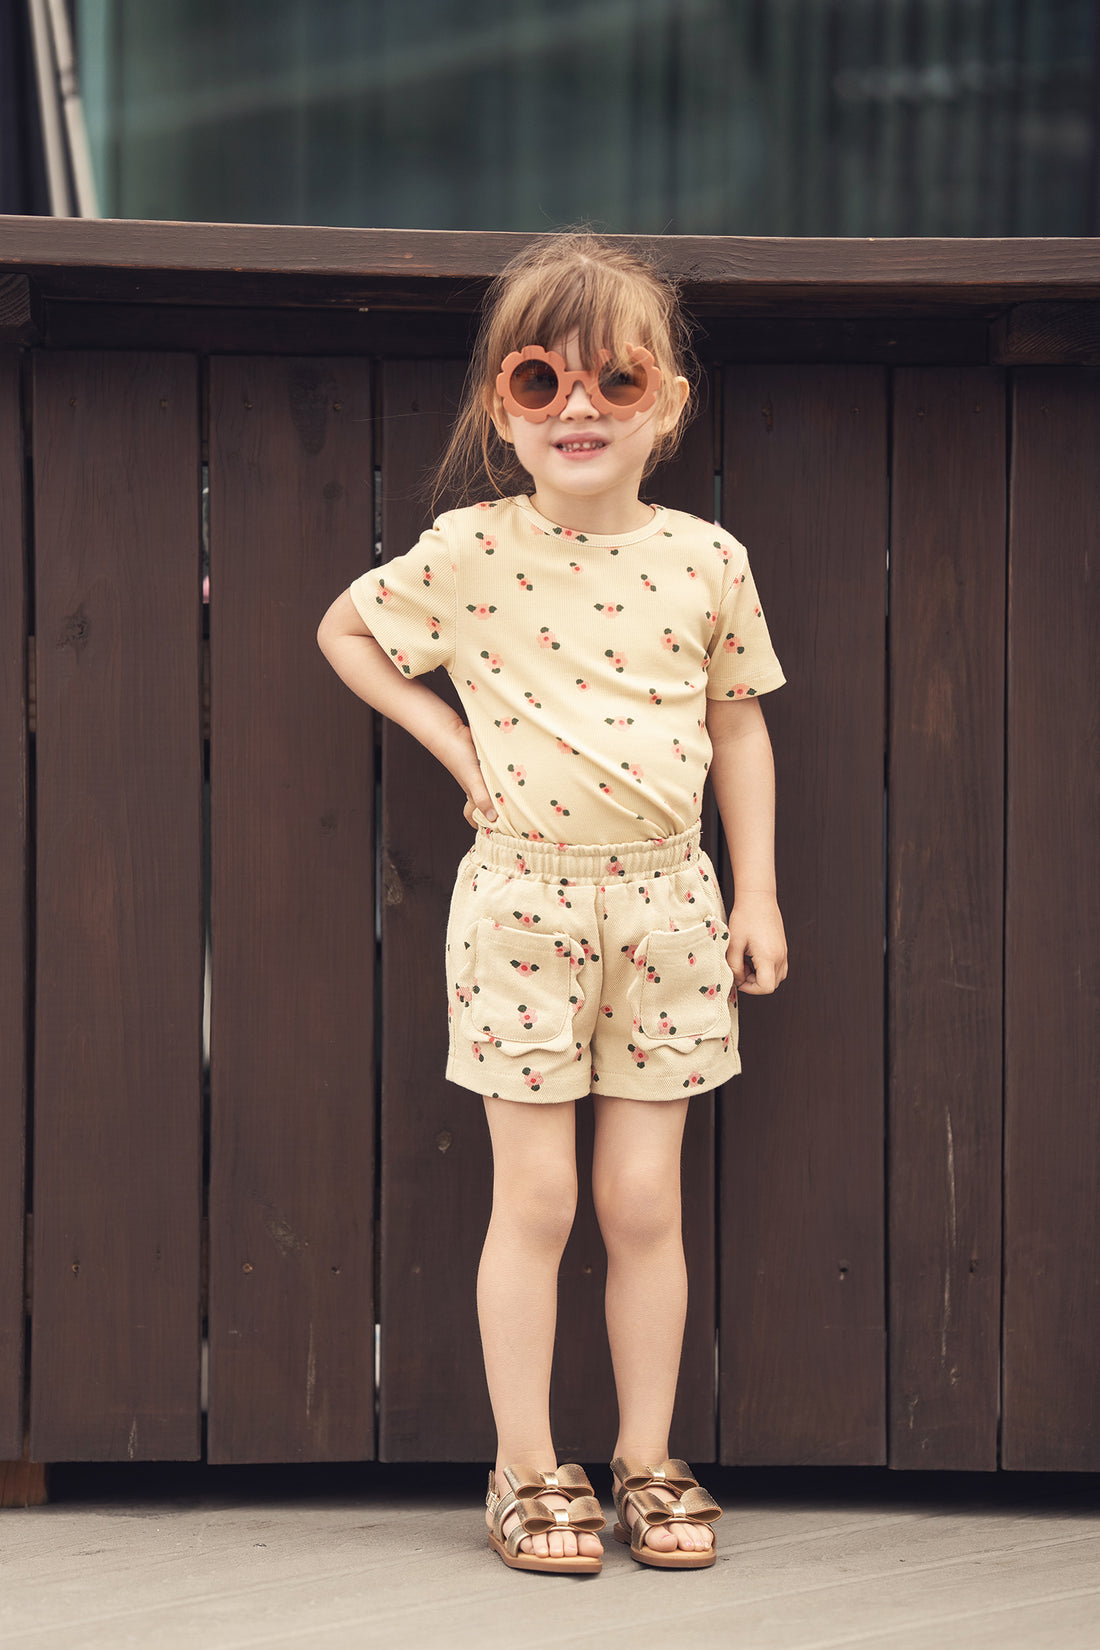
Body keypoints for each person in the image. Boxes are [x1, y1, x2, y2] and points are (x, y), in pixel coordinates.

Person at [317, 232, 788, 1575]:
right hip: (520, 904)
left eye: (613, 380)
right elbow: (346, 632)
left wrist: (755, 893)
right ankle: (526, 1464)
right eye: (541, 381)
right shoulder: (466, 551)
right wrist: (460, 747)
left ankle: (646, 1456)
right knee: (535, 1199)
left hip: (671, 909)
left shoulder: (708, 560)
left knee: (643, 1201)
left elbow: (741, 728)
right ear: (502, 413)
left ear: (666, 404)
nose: (578, 406)